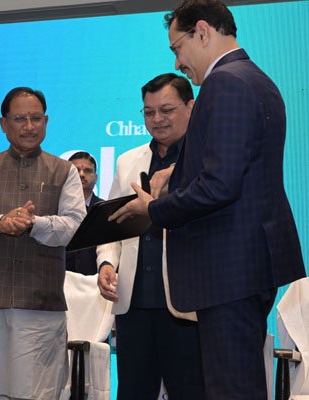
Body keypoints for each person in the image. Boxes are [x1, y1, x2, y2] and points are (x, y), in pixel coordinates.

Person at [108, 1, 306, 398]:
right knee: (238, 385)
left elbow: (219, 185)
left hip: (228, 266)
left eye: (177, 48)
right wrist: (178, 175)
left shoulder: (226, 82)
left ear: (202, 32)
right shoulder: (254, 78)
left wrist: (154, 209)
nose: (178, 62)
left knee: (230, 388)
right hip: (243, 265)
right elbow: (236, 168)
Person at [0, 87, 86, 399]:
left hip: (40, 305)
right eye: (20, 119)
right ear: (3, 124)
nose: (29, 126)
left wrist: (34, 224)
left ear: (46, 121)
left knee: (37, 393)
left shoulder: (64, 171)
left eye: (36, 118)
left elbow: (75, 227)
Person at [97, 73, 204, 399]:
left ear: (191, 107)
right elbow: (112, 225)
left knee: (190, 391)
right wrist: (106, 263)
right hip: (134, 303)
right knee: (133, 391)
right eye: (148, 112)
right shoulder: (128, 160)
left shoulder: (206, 160)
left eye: (166, 110)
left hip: (187, 304)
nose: (157, 119)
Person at [65, 151, 102, 275]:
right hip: (60, 279)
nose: (81, 174)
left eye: (87, 171)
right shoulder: (54, 208)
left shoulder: (104, 210)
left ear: (95, 178)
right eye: (76, 171)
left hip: (95, 281)